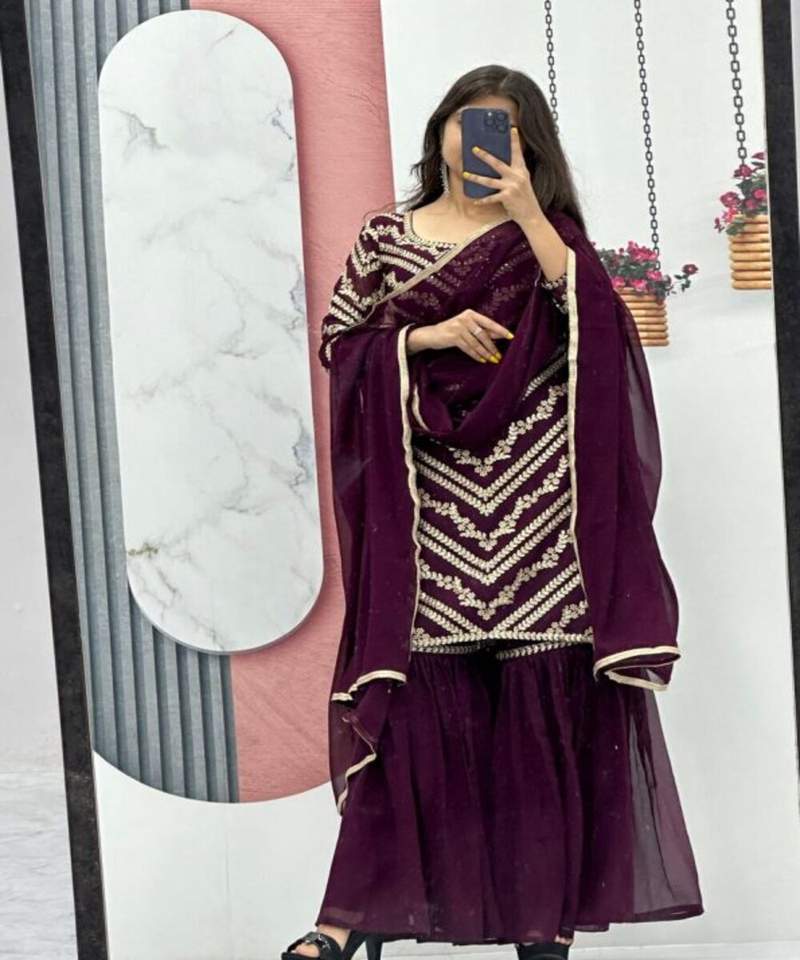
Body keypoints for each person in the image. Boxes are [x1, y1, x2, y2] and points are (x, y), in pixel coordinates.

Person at [281, 65, 704, 960]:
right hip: (427, 508)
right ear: (440, 131)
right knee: (413, 713)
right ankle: (349, 922)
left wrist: (527, 215)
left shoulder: (548, 238)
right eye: (467, 123)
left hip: (540, 508)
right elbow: (340, 343)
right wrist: (421, 337)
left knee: (540, 724)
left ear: (528, 145)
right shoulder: (387, 236)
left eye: (503, 129)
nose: (479, 141)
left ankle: (541, 932)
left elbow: (600, 329)